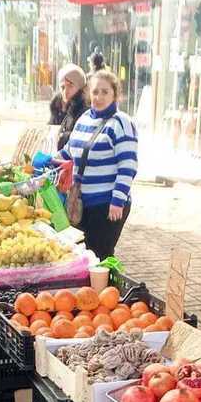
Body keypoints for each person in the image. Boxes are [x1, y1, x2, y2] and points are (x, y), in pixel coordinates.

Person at [59, 70, 137, 260]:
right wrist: (49, 162)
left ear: (115, 95)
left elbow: (128, 166)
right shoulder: (85, 119)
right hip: (81, 204)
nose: (99, 97)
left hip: (107, 206)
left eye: (105, 92)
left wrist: (117, 201)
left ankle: (108, 289)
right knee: (81, 256)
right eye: (95, 92)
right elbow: (69, 152)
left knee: (100, 257)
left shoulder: (121, 123)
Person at [49, 64, 89, 150]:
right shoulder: (56, 108)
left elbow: (83, 138)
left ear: (81, 87)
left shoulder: (86, 112)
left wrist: (62, 137)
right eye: (62, 87)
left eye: (70, 86)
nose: (65, 91)